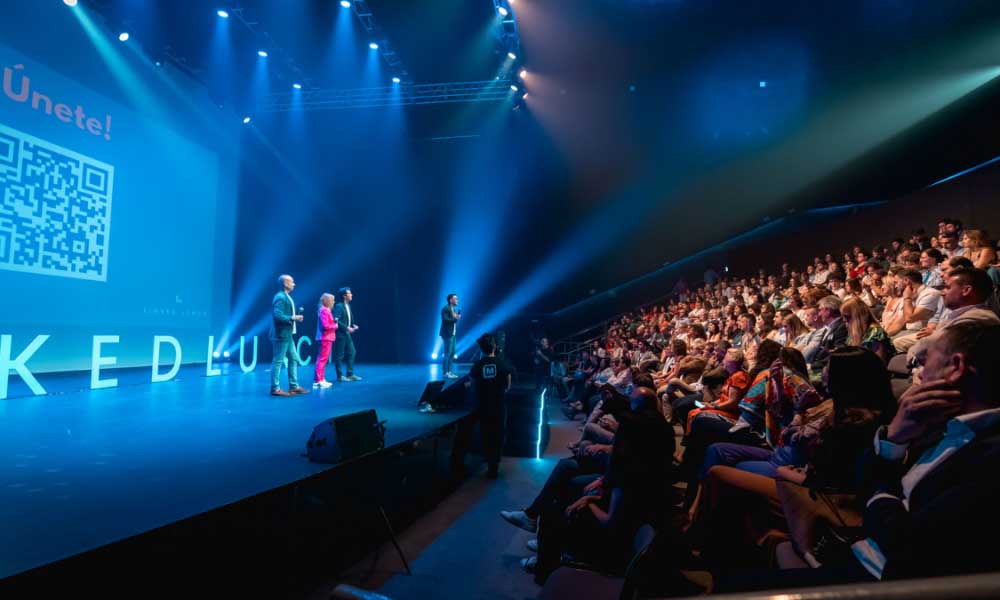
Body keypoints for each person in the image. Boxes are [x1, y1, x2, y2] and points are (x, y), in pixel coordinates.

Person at [468, 333, 513, 478]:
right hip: (499, 406)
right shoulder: (502, 364)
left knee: (486, 434)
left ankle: (489, 463)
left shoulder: (477, 366)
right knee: (498, 435)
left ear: (481, 348)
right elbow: (508, 386)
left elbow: (473, 387)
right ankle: (495, 464)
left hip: (483, 407)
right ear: (494, 346)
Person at [269, 274, 308, 397]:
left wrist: (294, 318)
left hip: (287, 334)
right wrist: (293, 317)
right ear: (285, 283)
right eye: (292, 282)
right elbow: (277, 315)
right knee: (278, 361)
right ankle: (275, 388)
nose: (294, 284)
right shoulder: (280, 297)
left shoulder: (286, 296)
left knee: (294, 358)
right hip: (281, 334)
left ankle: (294, 386)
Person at [333, 287, 361, 382]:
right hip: (340, 334)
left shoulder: (348, 306)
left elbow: (348, 319)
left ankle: (350, 374)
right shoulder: (339, 306)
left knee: (352, 352)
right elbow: (336, 319)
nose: (351, 295)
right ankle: (340, 376)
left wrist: (353, 325)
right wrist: (346, 328)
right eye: (349, 293)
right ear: (344, 296)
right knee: (339, 355)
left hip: (347, 334)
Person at [313, 293, 338, 388]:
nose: (334, 302)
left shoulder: (324, 310)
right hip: (325, 338)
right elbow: (326, 326)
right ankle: (319, 380)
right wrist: (335, 326)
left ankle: (320, 379)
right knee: (322, 359)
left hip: (326, 338)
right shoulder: (324, 310)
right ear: (328, 301)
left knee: (322, 359)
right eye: (332, 300)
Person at [440, 293, 461, 379]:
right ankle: (445, 372)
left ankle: (449, 371)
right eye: (455, 298)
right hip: (447, 333)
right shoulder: (446, 308)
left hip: (453, 333)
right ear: (450, 300)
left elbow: (453, 321)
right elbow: (445, 320)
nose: (457, 300)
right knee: (447, 353)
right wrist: (455, 318)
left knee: (452, 353)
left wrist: (456, 317)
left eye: (457, 298)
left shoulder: (453, 309)